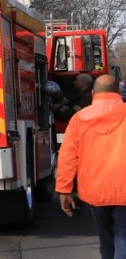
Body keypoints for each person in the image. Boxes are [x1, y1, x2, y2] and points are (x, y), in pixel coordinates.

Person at [56, 74, 126, 259]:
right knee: (123, 238)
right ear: (118, 91)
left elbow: (68, 156)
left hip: (95, 189)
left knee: (106, 240)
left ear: (94, 92)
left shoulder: (79, 118)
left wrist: (64, 189)